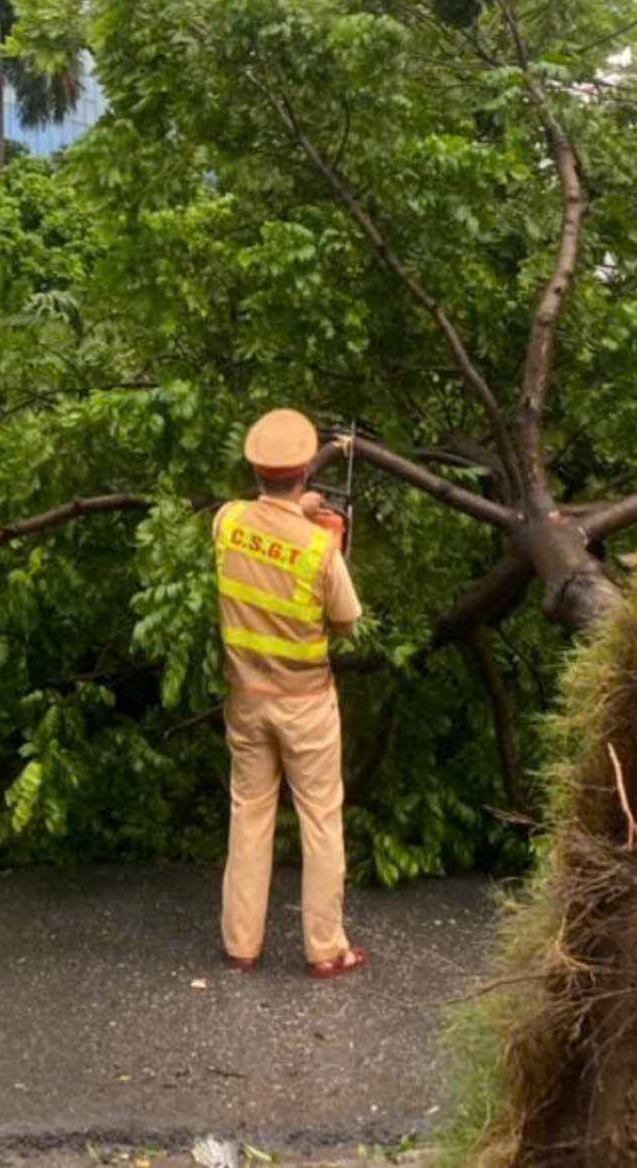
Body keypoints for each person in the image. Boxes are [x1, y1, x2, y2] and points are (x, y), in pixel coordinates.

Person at [217, 408, 367, 979]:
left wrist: (298, 509)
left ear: (255, 469)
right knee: (320, 820)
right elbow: (347, 622)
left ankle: (241, 945)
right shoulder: (317, 549)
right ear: (305, 470)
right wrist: (329, 538)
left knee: (249, 815)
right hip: (306, 704)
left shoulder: (227, 523)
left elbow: (264, 521)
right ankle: (325, 949)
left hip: (246, 698)